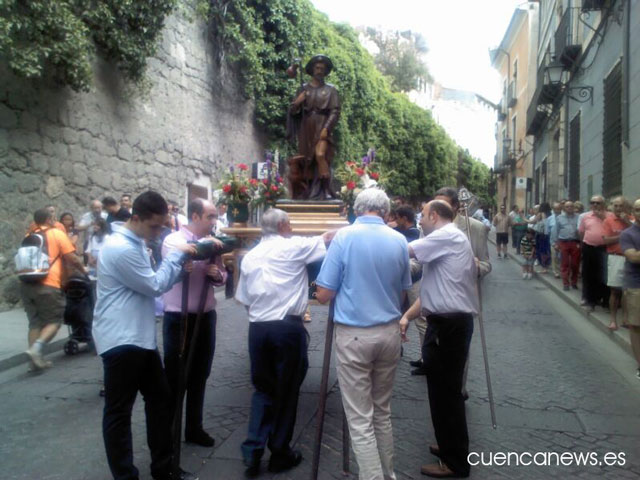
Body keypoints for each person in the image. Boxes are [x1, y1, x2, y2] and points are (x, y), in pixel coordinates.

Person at [92, 191, 198, 480]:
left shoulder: (135, 242)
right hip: (121, 339)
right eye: (153, 226)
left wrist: (176, 271)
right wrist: (175, 258)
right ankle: (127, 476)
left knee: (160, 401)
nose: (157, 233)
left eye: (161, 227)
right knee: (119, 412)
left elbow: (150, 285)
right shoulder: (120, 248)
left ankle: (164, 469)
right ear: (135, 218)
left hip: (138, 338)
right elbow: (152, 285)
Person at [315, 189, 411, 480]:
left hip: (355, 335)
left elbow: (323, 294)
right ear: (385, 211)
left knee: (359, 418)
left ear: (357, 209)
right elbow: (404, 291)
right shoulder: (399, 240)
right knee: (381, 411)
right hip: (389, 332)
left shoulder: (344, 238)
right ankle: (388, 473)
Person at [235, 208, 334, 477]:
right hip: (286, 328)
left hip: (257, 328)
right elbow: (327, 238)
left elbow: (244, 298)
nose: (291, 227)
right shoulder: (294, 247)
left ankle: (253, 452)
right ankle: (280, 452)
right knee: (287, 390)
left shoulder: (250, 256)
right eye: (289, 224)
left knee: (262, 389)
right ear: (282, 226)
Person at [401, 200, 478, 478]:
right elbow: (433, 288)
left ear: (434, 215)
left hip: (448, 326)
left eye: (422, 215)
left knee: (445, 395)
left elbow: (403, 250)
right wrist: (408, 316)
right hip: (449, 324)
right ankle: (449, 446)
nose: (420, 220)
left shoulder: (444, 235)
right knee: (444, 392)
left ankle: (454, 462)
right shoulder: (452, 238)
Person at [162, 199, 226, 448]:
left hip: (206, 315)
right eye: (210, 217)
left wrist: (218, 275)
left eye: (214, 217)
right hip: (179, 318)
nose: (214, 222)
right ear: (196, 217)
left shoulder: (214, 244)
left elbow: (222, 271)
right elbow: (182, 249)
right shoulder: (173, 239)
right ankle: (169, 432)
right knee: (177, 377)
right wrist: (207, 245)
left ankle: (194, 428)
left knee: (200, 374)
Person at [20, 208, 85, 370]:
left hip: (26, 285)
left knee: (34, 323)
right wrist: (84, 271)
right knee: (54, 322)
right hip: (48, 284)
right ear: (50, 219)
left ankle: (35, 362)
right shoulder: (56, 234)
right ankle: (35, 349)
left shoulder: (28, 236)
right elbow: (72, 257)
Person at [286, 54, 341, 200]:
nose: (320, 70)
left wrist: (326, 128)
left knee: (321, 156)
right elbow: (293, 111)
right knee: (306, 159)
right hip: (306, 126)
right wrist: (298, 102)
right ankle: (307, 192)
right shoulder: (303, 89)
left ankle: (324, 190)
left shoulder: (331, 90)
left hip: (322, 124)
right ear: (312, 69)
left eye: (323, 68)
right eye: (317, 67)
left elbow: (335, 111)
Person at [602, 196, 633, 330]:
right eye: (615, 206)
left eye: (621, 206)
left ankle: (626, 319)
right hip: (616, 257)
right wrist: (623, 236)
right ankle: (613, 320)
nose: (618, 208)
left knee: (628, 291)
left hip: (631, 258)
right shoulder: (608, 221)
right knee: (615, 290)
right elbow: (606, 241)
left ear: (625, 207)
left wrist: (628, 223)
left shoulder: (632, 220)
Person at [579, 195, 614, 309]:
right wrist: (583, 244)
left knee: (604, 274)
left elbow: (614, 230)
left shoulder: (610, 216)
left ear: (603, 204)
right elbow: (581, 232)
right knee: (588, 273)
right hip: (589, 247)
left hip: (604, 248)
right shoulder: (585, 216)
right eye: (592, 202)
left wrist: (602, 217)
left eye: (598, 203)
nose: (595, 205)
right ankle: (589, 299)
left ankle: (604, 299)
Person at [620, 198, 640, 381]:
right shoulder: (628, 234)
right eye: (638, 210)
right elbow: (633, 257)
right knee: (636, 325)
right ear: (633, 213)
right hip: (636, 285)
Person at [553, 201, 581, 291]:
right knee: (564, 263)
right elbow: (556, 231)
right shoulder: (559, 218)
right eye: (567, 207)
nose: (569, 208)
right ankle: (565, 283)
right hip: (563, 242)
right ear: (564, 208)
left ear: (573, 207)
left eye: (571, 206)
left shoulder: (579, 217)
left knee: (575, 264)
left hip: (575, 242)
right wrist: (556, 243)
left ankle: (574, 282)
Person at [534, 203, 552, 273]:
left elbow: (536, 221)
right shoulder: (550, 214)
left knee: (540, 251)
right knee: (546, 250)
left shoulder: (541, 214)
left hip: (541, 234)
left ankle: (544, 267)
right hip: (547, 235)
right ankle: (546, 265)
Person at [548, 202, 564, 278]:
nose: (557, 210)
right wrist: (552, 242)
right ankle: (555, 272)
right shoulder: (550, 219)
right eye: (555, 209)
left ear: (561, 209)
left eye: (558, 208)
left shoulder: (564, 217)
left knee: (562, 258)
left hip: (563, 241)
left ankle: (562, 271)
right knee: (554, 257)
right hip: (553, 241)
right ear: (553, 210)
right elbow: (547, 231)